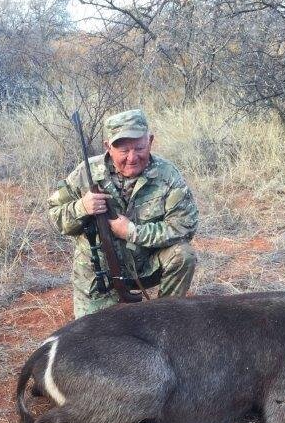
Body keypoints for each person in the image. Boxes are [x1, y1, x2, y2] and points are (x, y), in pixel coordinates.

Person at [48, 109, 198, 318]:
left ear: (151, 141)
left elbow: (185, 227)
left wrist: (132, 232)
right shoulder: (85, 173)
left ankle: (165, 317)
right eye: (123, 150)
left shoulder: (168, 175)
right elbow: (56, 218)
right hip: (98, 273)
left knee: (184, 255)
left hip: (146, 265)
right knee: (95, 336)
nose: (132, 157)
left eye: (139, 148)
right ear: (107, 147)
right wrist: (81, 207)